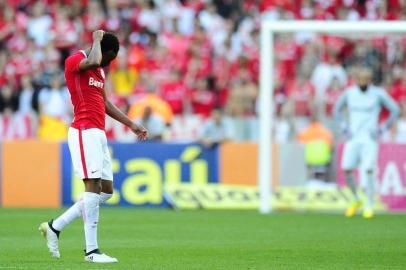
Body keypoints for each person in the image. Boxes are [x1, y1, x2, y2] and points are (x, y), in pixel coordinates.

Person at [39, 30, 148, 263]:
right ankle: (91, 251)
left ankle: (55, 226)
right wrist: (97, 39)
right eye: (111, 56)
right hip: (83, 130)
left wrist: (131, 124)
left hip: (98, 132)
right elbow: (95, 59)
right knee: (92, 186)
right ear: (102, 49)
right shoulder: (76, 61)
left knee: (106, 191)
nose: (110, 62)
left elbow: (105, 101)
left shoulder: (98, 71)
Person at [334, 67, 399, 219]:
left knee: (369, 170)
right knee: (347, 169)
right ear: (356, 79)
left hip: (370, 139)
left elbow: (395, 109)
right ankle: (356, 199)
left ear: (370, 80)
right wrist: (344, 127)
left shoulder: (377, 93)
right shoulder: (349, 93)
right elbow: (336, 110)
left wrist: (382, 128)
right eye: (360, 79)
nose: (363, 82)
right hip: (353, 138)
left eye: (366, 80)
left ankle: (369, 205)